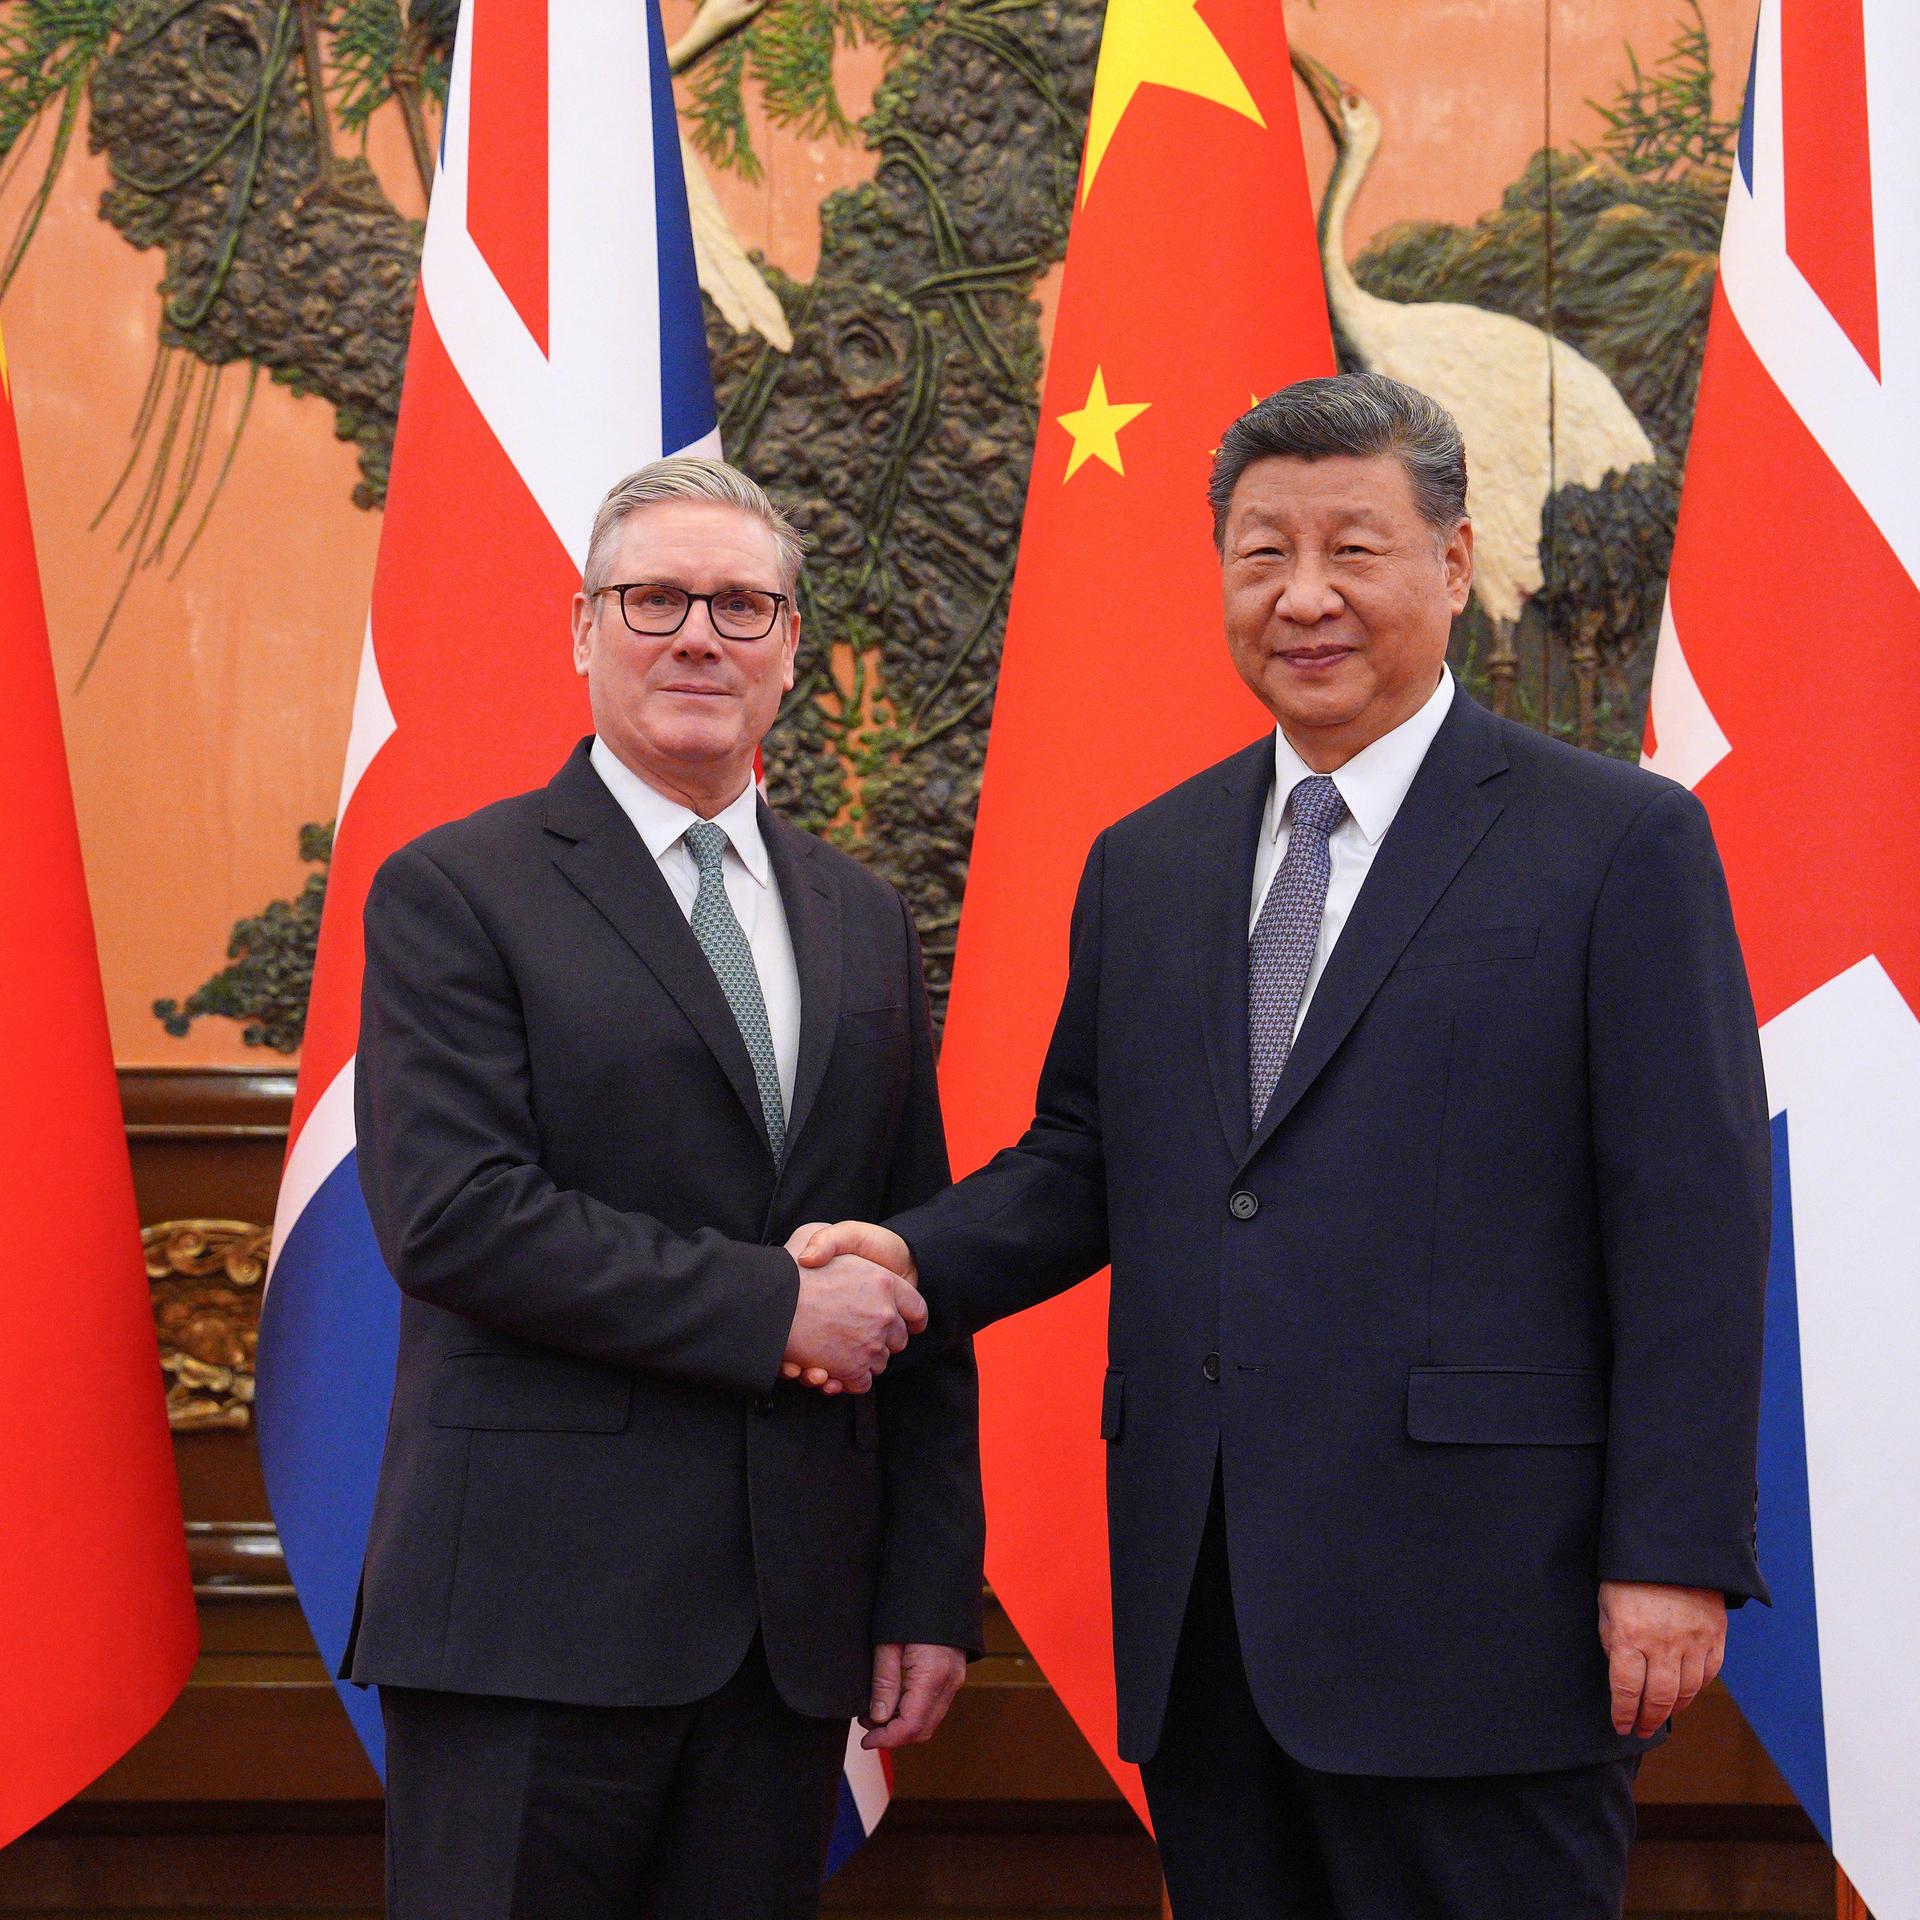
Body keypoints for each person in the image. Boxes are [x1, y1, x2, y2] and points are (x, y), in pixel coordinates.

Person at [800, 374, 1771, 1919]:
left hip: (1488, 1619)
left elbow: (1694, 1224)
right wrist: (909, 1259)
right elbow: (1081, 1163)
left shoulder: (1615, 846)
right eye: (1261, 555)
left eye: (1354, 550)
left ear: (1453, 566)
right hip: (1211, 1618)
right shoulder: (1151, 861)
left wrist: (1672, 1553)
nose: (1303, 597)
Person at [347, 455, 984, 1920]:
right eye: (654, 599)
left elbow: (912, 1253)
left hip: (788, 1634)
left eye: (744, 605)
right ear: (582, 631)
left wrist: (924, 1583)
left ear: (790, 653)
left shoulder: (861, 916)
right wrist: (775, 1308)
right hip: (529, 1620)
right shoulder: (458, 888)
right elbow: (454, 1215)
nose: (700, 635)